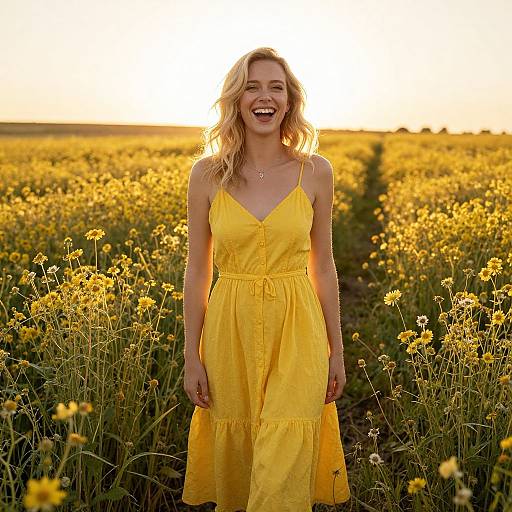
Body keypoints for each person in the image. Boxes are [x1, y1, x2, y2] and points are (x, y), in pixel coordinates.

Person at [181, 47, 350, 511]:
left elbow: (325, 265)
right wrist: (191, 356)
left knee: (283, 452)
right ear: (236, 100)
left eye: (276, 87)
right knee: (241, 459)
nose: (264, 96)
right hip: (229, 328)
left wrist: (337, 350)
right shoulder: (206, 175)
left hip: (298, 327)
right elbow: (197, 271)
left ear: (290, 101)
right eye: (252, 86)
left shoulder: (315, 171)